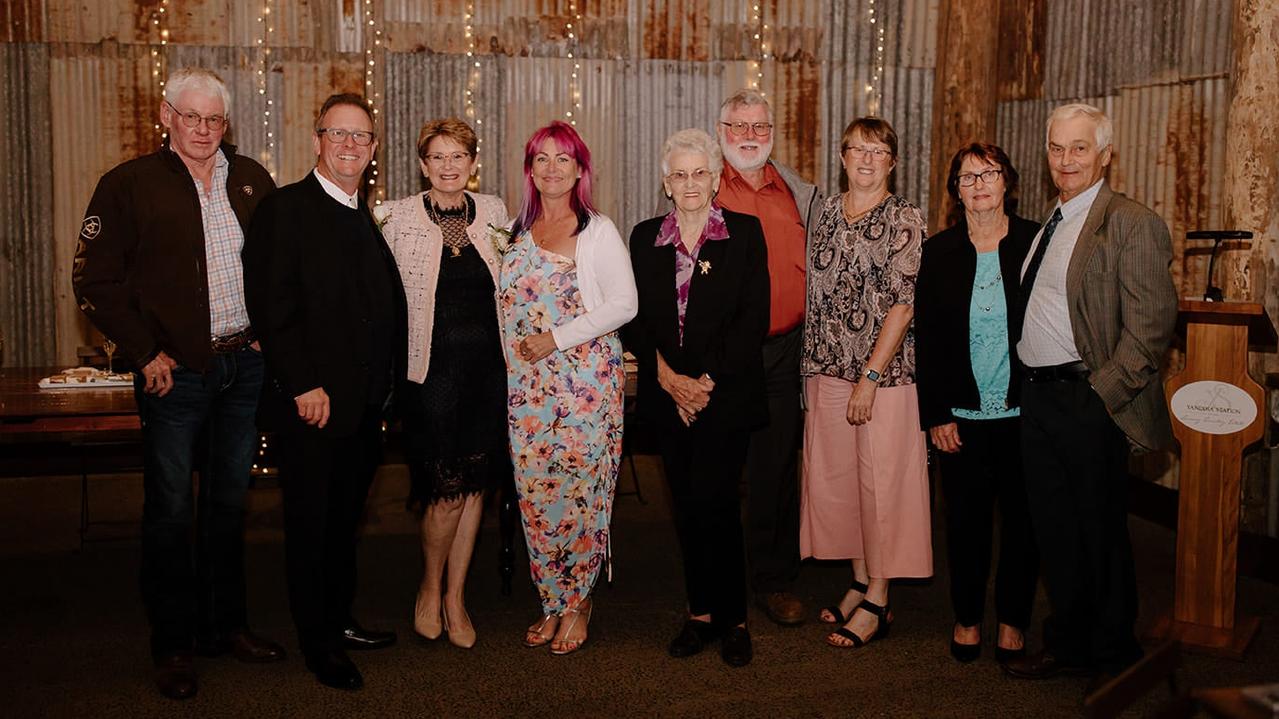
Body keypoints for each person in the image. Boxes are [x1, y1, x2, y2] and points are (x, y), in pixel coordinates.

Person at [72, 67, 284, 701]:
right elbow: (95, 281)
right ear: (166, 115)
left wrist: (272, 329)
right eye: (190, 116)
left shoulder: (251, 179)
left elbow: (278, 264)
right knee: (169, 511)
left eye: (213, 119)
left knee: (228, 505)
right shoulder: (128, 185)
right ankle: (173, 645)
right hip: (174, 376)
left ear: (226, 124)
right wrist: (143, 353)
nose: (202, 129)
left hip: (242, 367)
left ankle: (227, 627)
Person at [1002, 103, 1177, 691]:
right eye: (1057, 147)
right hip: (1039, 399)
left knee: (1099, 531)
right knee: (1055, 530)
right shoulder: (1049, 222)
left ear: (1105, 154)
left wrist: (1103, 394)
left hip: (1087, 397)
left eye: (1079, 148)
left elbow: (1151, 328)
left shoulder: (1131, 223)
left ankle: (1114, 654)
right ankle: (1070, 643)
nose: (1066, 159)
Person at [242, 93, 405, 691]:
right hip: (311, 406)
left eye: (360, 137)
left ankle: (339, 620)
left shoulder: (361, 213)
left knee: (343, 525)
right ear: (317, 141)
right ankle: (319, 644)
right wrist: (302, 383)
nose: (349, 145)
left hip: (360, 411)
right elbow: (271, 304)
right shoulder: (286, 209)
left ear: (372, 150)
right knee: (311, 527)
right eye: (338, 134)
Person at [627, 128, 770, 667]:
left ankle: (733, 619)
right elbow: (632, 316)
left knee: (718, 504)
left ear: (715, 180)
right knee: (686, 508)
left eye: (699, 173)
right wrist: (667, 379)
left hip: (723, 395)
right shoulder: (645, 238)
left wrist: (703, 383)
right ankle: (701, 614)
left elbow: (752, 318)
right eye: (679, 174)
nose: (690, 183)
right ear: (667, 184)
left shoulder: (745, 233)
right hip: (667, 397)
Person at [498, 121, 637, 655]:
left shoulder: (596, 230)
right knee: (537, 496)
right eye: (541, 159)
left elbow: (625, 305)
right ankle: (553, 599)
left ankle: (579, 602)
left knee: (580, 492)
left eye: (564, 159)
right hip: (528, 391)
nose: (551, 168)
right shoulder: (517, 228)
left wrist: (555, 339)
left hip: (581, 388)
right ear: (530, 170)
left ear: (580, 169)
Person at [376, 118, 510, 650]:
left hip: (489, 374)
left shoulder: (495, 212)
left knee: (477, 484)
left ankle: (457, 597)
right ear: (423, 164)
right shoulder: (394, 217)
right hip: (430, 376)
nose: (449, 166)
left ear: (473, 162)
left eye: (459, 156)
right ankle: (428, 588)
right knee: (445, 489)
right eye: (438, 157)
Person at [801, 117, 932, 649]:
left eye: (878, 151)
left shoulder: (905, 218)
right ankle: (859, 578)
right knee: (843, 483)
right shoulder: (826, 212)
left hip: (884, 377)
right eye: (858, 149)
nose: (867, 159)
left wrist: (870, 378)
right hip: (827, 370)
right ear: (842, 155)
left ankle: (879, 596)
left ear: (893, 162)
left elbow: (903, 305)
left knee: (884, 486)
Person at [915, 143, 1039, 664]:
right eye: (968, 177)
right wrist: (936, 413)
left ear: (1007, 181)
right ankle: (967, 618)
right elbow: (929, 339)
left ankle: (1012, 621)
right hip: (961, 415)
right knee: (965, 525)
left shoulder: (1037, 242)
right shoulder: (938, 251)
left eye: (989, 173)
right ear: (956, 190)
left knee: (1023, 524)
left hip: (1026, 412)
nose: (980, 184)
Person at [713, 89, 823, 626]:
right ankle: (715, 583)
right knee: (717, 467)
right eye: (739, 126)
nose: (750, 137)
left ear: (773, 133)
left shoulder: (800, 193)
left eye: (760, 127)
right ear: (720, 131)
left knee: (776, 467)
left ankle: (774, 580)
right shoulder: (700, 189)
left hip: (785, 349)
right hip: (722, 354)